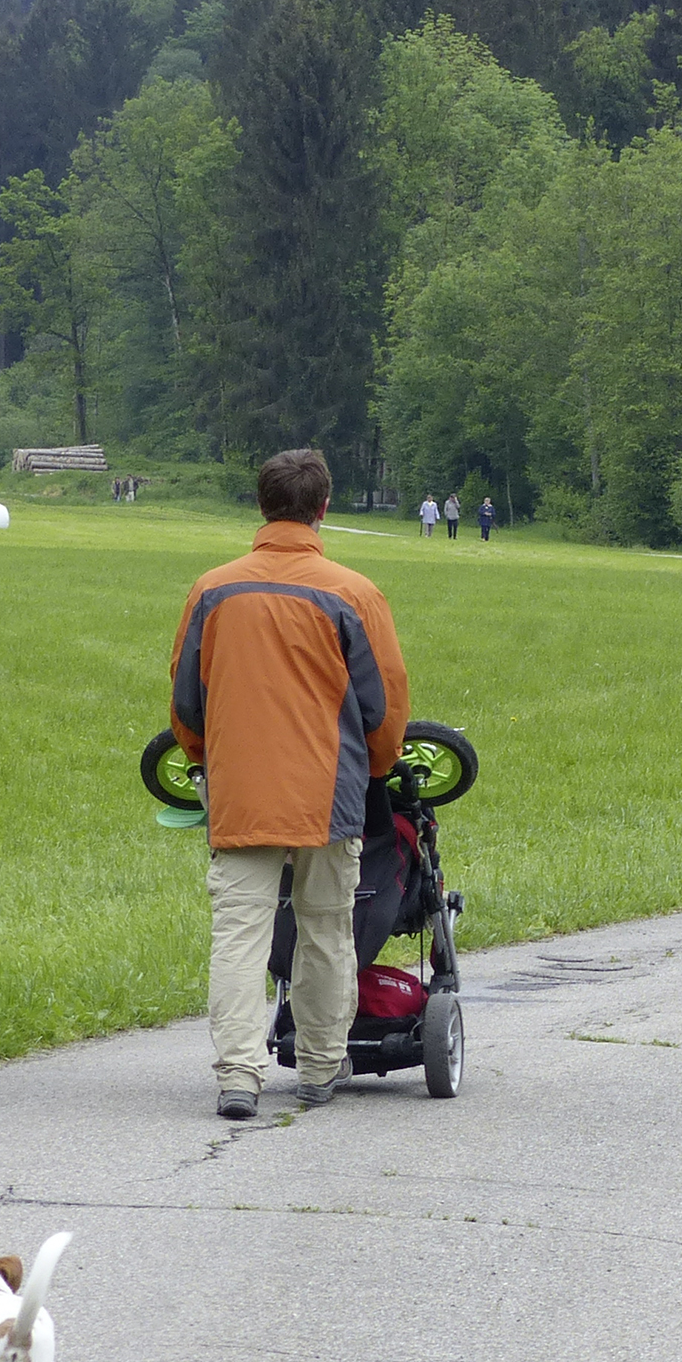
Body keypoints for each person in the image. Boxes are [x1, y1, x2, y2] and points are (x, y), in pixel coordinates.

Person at [169, 448, 409, 1120]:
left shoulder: (213, 589)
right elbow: (383, 707)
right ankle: (319, 1064)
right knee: (327, 927)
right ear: (323, 507)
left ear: (262, 504)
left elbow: (188, 701)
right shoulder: (353, 593)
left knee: (240, 932)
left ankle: (239, 1074)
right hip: (329, 791)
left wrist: (203, 758)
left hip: (241, 787)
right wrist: (380, 768)